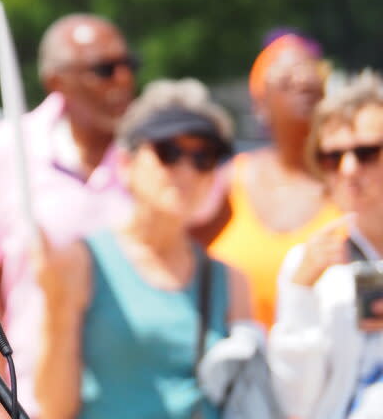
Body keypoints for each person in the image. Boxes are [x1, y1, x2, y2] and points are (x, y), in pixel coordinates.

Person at [34, 79, 252, 419]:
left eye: (203, 158)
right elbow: (53, 408)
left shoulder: (230, 280)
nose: (186, 171)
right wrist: (57, 309)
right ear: (125, 163)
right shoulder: (86, 261)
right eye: (169, 152)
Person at [0, 13, 136, 419]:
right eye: (104, 70)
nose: (123, 80)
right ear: (57, 80)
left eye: (128, 66)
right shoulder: (11, 145)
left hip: (137, 395)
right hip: (35, 396)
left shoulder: (152, 153)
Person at [205, 33, 340, 330]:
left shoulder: (349, 181)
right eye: (286, 76)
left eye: (309, 71)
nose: (302, 81)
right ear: (260, 103)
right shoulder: (227, 182)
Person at [270, 70, 383, 419]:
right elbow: (294, 402)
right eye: (332, 157)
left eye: (366, 152)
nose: (349, 169)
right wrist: (299, 293)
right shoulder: (310, 262)